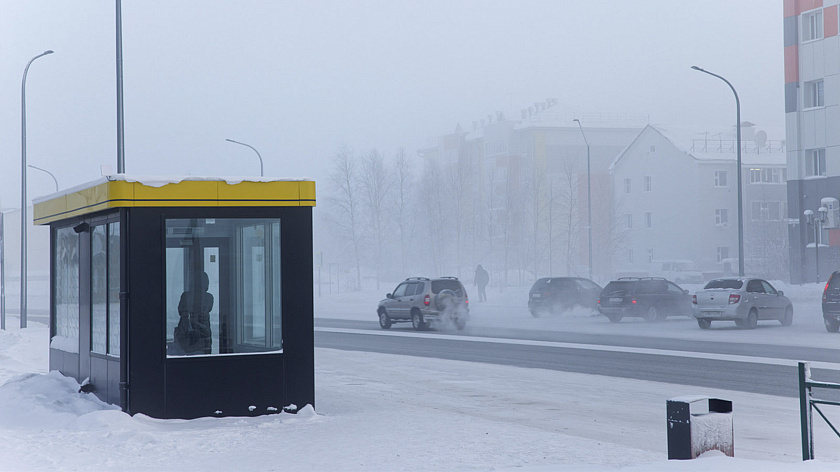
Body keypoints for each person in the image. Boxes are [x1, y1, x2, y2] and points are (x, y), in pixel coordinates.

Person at [175, 271, 214, 354]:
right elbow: (207, 310)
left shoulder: (185, 295)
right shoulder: (209, 297)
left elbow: (180, 311)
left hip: (186, 332)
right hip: (204, 331)